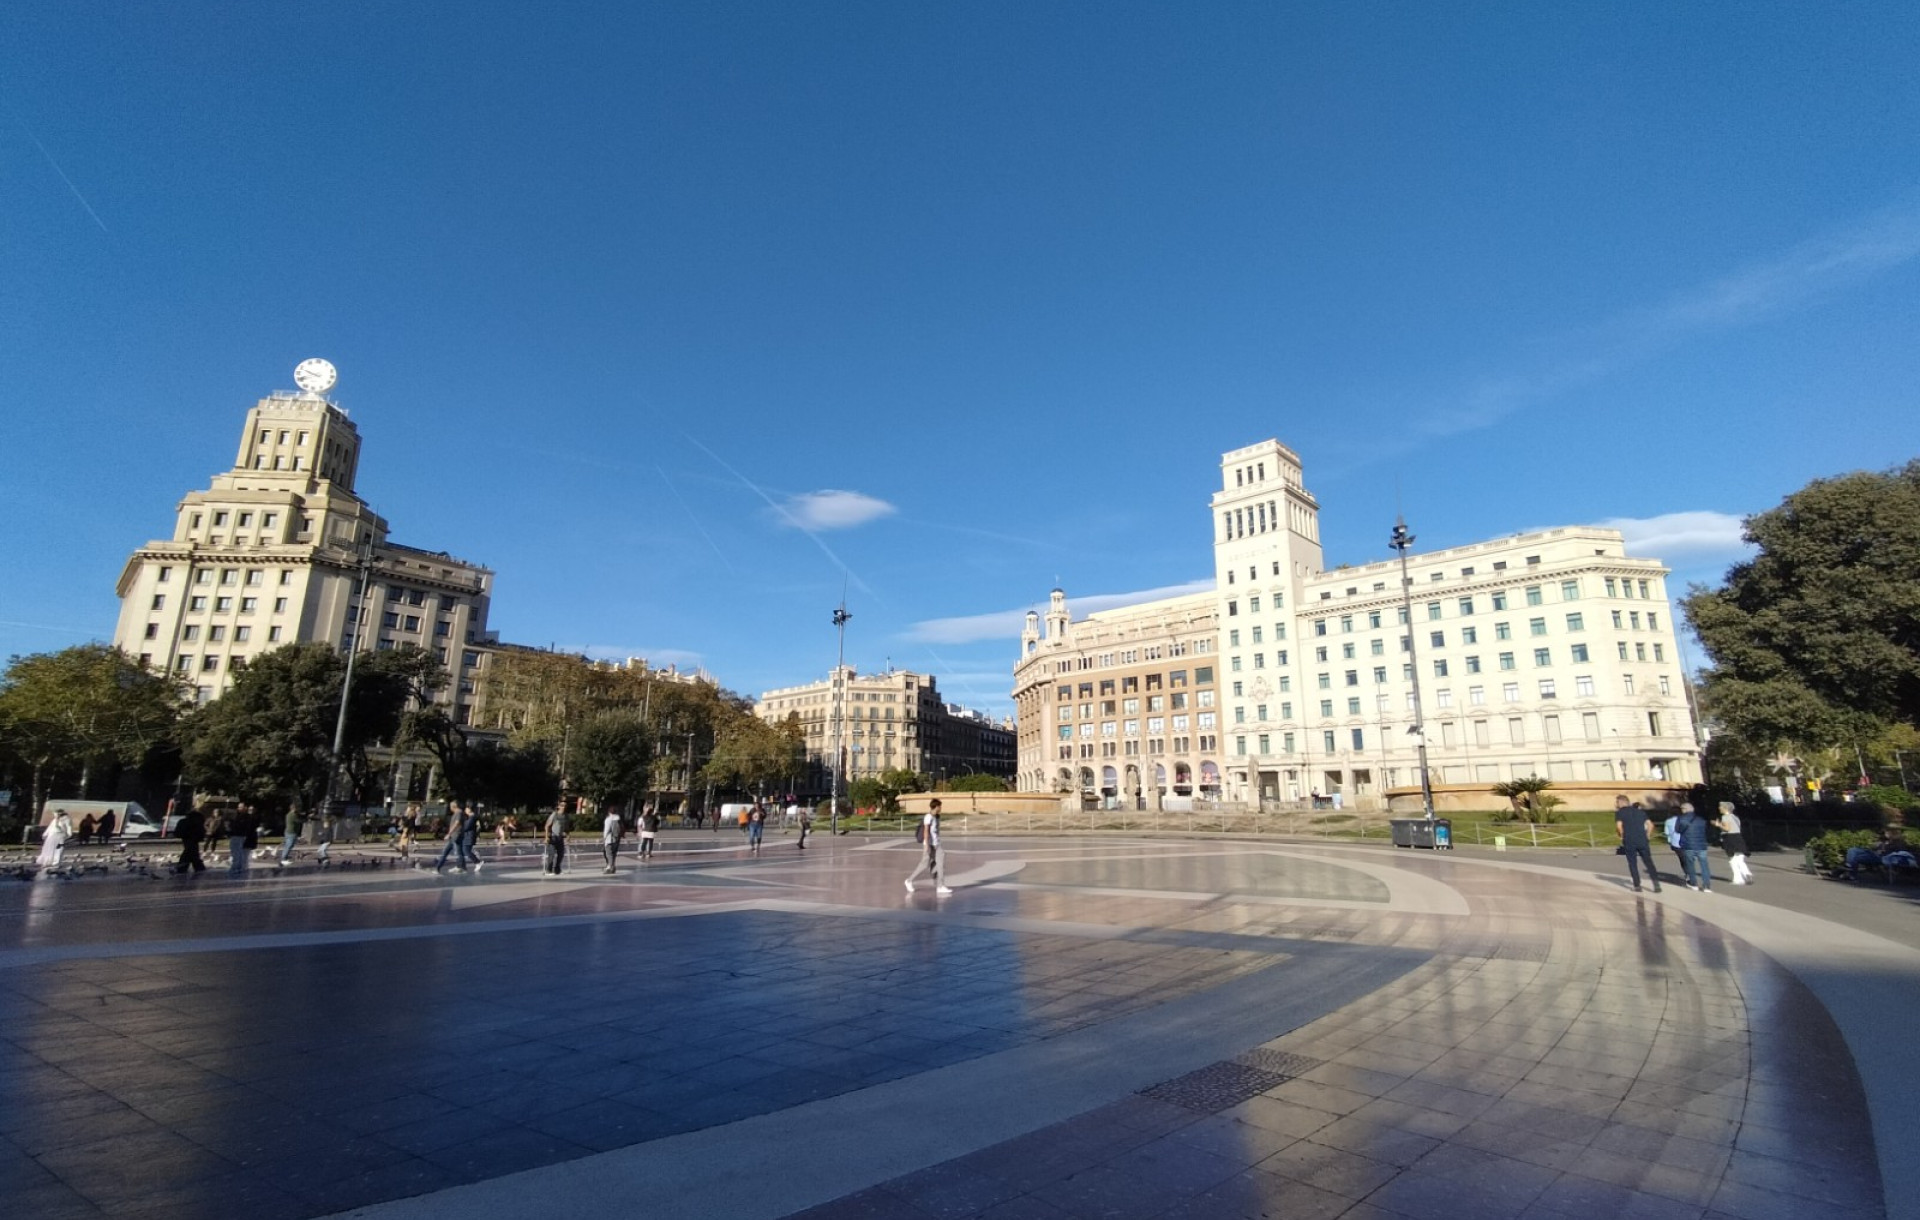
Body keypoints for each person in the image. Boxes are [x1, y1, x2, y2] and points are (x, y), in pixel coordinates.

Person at [1613, 795, 1661, 893]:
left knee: (1632, 863)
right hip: (1642, 840)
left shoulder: (1620, 813)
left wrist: (1622, 835)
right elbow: (1650, 825)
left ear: (1621, 802)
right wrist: (1647, 835)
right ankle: (1656, 885)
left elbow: (1619, 826)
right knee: (1649, 862)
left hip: (1629, 840)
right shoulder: (1640, 812)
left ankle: (1637, 885)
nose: (1616, 804)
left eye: (1617, 802)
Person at [905, 799, 952, 894]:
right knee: (924, 864)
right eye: (940, 806)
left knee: (940, 862)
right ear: (936, 807)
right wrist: (927, 845)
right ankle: (909, 880)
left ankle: (940, 886)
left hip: (936, 844)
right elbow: (926, 831)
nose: (941, 808)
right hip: (929, 845)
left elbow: (935, 832)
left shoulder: (936, 817)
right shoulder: (928, 817)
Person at [1676, 802, 1712, 892]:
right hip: (1701, 845)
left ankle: (1694, 884)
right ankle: (1707, 886)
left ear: (1685, 809)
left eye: (1682, 809)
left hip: (1688, 844)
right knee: (1704, 865)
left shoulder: (1681, 819)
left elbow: (1677, 830)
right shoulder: (1701, 819)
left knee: (1690, 865)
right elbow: (1706, 830)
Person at [1716, 802, 1753, 885]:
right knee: (1739, 859)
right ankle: (1746, 873)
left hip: (1730, 839)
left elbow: (1727, 828)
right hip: (1738, 838)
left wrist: (1718, 825)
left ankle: (1738, 879)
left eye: (1721, 807)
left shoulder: (1725, 817)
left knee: (1733, 861)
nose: (1719, 808)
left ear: (1725, 808)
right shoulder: (1735, 817)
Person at [176, 804, 207, 874]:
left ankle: (184, 868)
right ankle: (197, 867)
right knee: (191, 852)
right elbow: (201, 830)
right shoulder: (197, 820)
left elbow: (179, 831)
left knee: (190, 852)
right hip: (194, 838)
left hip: (186, 838)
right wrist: (201, 837)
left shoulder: (183, 821)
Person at [229, 804, 257, 877]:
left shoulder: (246, 817)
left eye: (240, 807)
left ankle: (237, 867)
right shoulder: (239, 816)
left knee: (238, 853)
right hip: (238, 835)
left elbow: (244, 827)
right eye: (238, 807)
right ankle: (240, 867)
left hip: (240, 835)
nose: (239, 808)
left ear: (245, 808)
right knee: (238, 852)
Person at [543, 806, 569, 875]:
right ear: (559, 806)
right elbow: (547, 826)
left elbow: (566, 827)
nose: (563, 807)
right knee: (551, 854)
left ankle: (557, 869)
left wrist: (568, 836)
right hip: (553, 837)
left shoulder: (565, 816)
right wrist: (546, 837)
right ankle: (549, 870)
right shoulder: (554, 815)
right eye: (562, 805)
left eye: (565, 805)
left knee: (561, 854)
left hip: (560, 837)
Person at [601, 806, 623, 875]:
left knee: (608, 853)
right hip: (617, 838)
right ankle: (612, 866)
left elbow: (607, 830)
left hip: (609, 839)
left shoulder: (608, 819)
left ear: (609, 812)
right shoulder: (619, 819)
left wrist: (604, 838)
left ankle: (610, 867)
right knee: (614, 854)